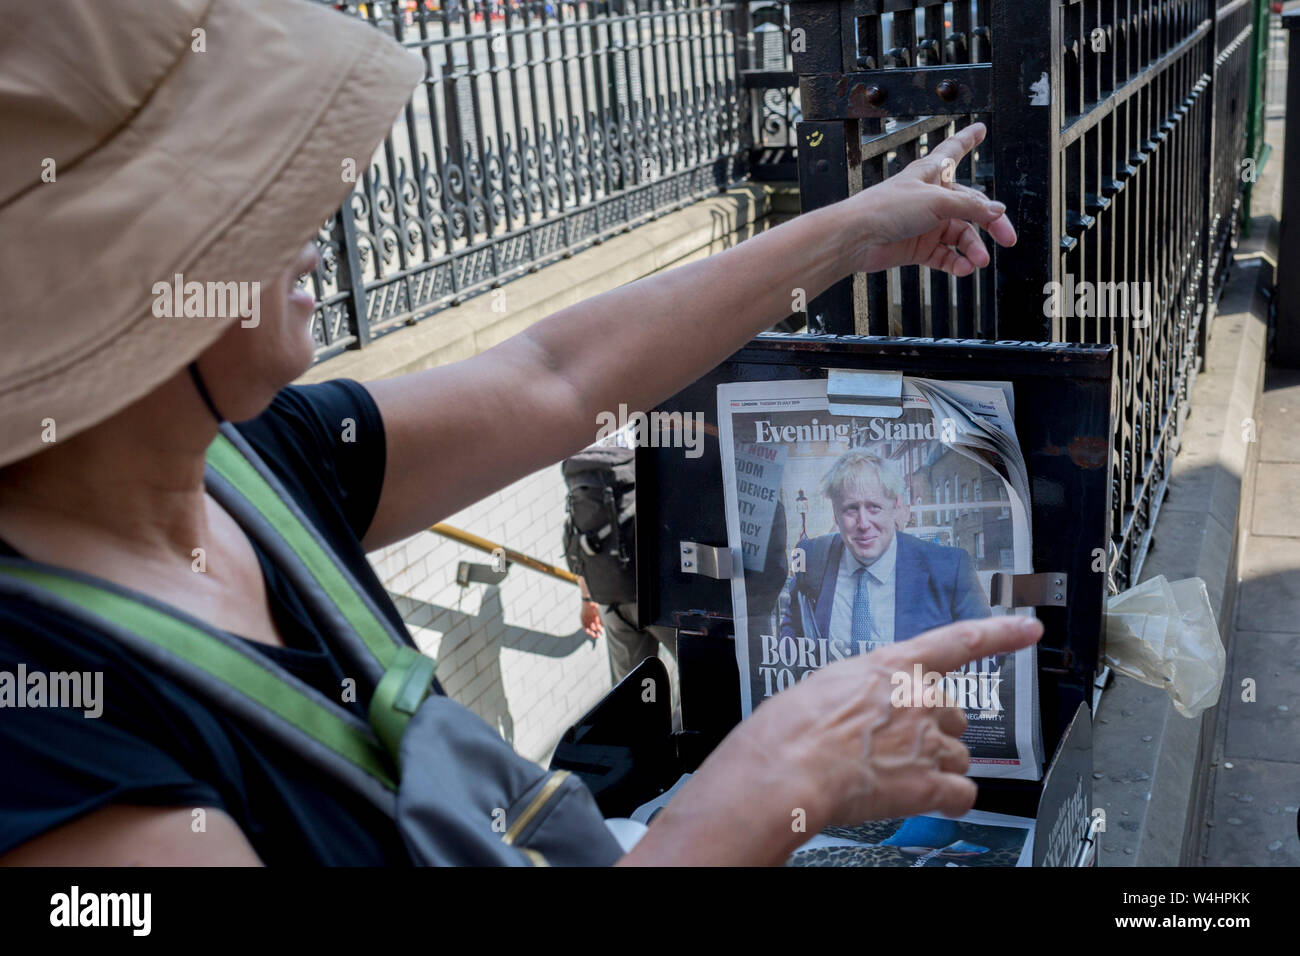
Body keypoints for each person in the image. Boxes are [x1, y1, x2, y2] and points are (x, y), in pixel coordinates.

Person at [0, 0, 1035, 866]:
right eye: (260, 188)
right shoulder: (43, 738)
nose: (321, 223)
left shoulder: (248, 462)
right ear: (126, 274)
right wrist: (759, 792)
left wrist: (856, 228)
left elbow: (556, 376)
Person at [780, 451, 991, 651]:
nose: (863, 523)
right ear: (835, 514)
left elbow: (988, 650)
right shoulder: (812, 556)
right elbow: (790, 642)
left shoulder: (950, 568)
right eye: (851, 509)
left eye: (874, 507)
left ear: (895, 506)